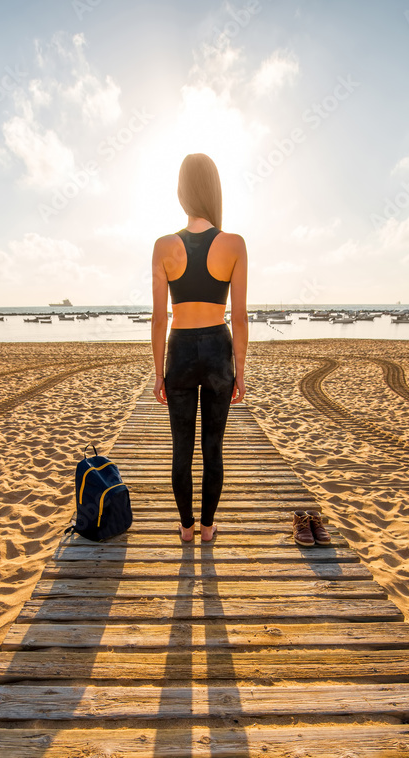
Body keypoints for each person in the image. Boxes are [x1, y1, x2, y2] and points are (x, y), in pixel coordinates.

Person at [151, 153, 248, 542]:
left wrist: (158, 372)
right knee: (213, 448)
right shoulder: (234, 244)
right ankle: (208, 529)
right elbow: (239, 318)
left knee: (181, 450)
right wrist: (241, 370)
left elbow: (159, 319)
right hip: (217, 347)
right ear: (214, 191)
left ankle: (186, 530)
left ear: (182, 192)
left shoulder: (163, 246)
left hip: (180, 347)